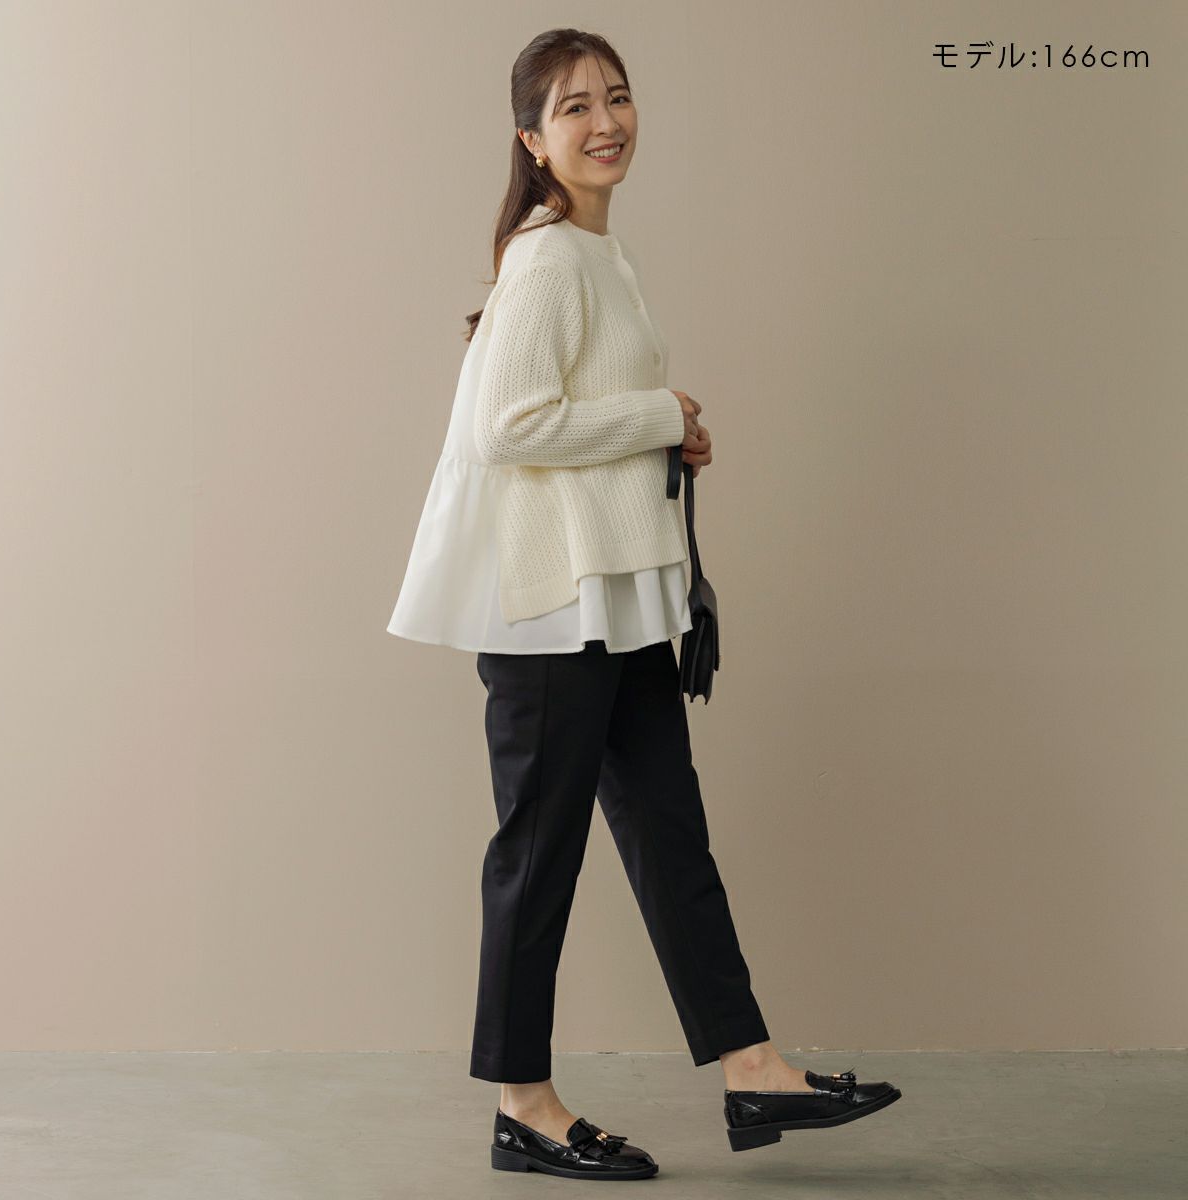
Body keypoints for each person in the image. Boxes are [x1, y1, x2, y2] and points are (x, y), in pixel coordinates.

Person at [387, 28, 901, 1180]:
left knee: (670, 832)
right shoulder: (547, 257)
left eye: (616, 97)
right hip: (549, 610)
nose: (605, 121)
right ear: (532, 139)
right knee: (538, 855)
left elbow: (577, 417)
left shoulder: (596, 254)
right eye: (574, 106)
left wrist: (664, 433)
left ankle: (752, 1067)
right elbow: (505, 428)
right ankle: (523, 1103)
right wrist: (660, 414)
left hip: (609, 603)